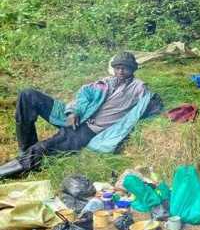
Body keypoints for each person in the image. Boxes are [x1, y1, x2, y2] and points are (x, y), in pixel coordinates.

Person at [0, 52, 160, 180]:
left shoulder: (138, 87)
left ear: (133, 69)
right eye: (118, 67)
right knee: (28, 94)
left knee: (44, 147)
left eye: (125, 68)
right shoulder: (105, 83)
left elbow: (150, 104)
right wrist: (73, 112)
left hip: (88, 130)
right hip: (73, 117)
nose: (121, 71)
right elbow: (83, 95)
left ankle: (11, 169)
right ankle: (25, 150)